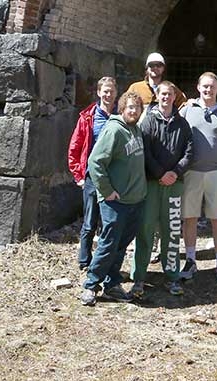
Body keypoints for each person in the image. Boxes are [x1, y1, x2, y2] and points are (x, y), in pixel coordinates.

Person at [79, 92, 147, 306]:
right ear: (122, 108)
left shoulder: (135, 129)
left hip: (135, 200)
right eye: (130, 107)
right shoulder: (114, 129)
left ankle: (111, 283)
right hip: (115, 201)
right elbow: (95, 161)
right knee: (108, 244)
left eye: (137, 107)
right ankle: (91, 284)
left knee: (121, 245)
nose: (133, 111)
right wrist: (107, 191)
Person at [129, 81, 193, 298]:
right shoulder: (147, 122)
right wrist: (160, 174)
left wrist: (175, 172)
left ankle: (172, 277)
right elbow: (144, 151)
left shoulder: (183, 125)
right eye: (163, 94)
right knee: (145, 230)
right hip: (151, 184)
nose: (166, 97)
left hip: (174, 185)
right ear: (157, 96)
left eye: (170, 94)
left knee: (172, 231)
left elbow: (189, 152)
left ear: (175, 97)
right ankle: (139, 277)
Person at [179, 72, 217, 286]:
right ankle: (189, 259)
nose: (208, 90)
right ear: (198, 87)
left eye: (212, 87)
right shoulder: (187, 110)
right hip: (191, 173)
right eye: (204, 86)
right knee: (189, 218)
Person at [67, 76, 118, 271]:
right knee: (89, 222)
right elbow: (75, 147)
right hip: (91, 176)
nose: (108, 94)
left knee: (108, 221)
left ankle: (103, 260)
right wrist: (78, 176)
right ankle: (84, 261)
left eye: (111, 91)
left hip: (113, 176)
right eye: (105, 91)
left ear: (116, 93)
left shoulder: (120, 115)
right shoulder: (88, 117)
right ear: (98, 92)